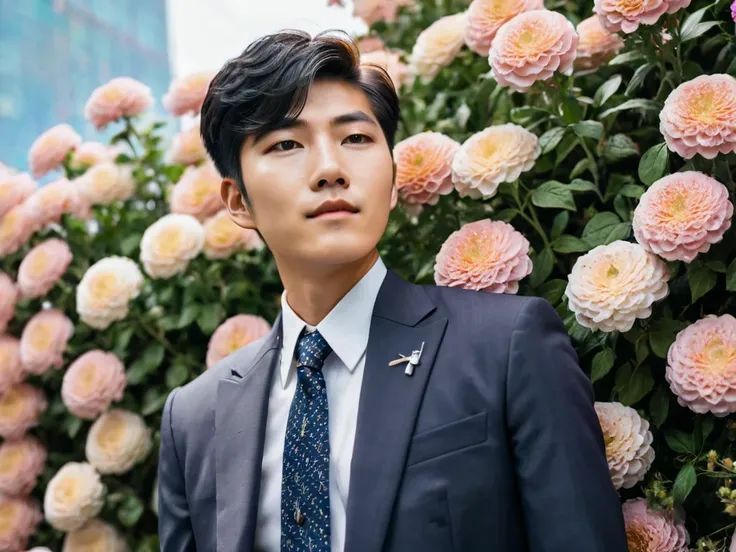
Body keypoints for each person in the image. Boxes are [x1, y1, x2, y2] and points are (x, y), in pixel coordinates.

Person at [156, 29, 629, 552]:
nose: (331, 169)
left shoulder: (506, 348)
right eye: (286, 144)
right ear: (238, 201)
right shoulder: (195, 420)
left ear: (392, 173)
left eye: (355, 138)